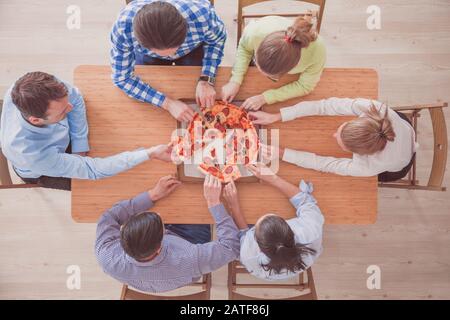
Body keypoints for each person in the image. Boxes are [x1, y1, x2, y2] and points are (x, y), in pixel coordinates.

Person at [0, 71, 172, 190]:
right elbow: (93, 170)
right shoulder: (32, 155)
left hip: (63, 141)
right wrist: (150, 153)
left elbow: (76, 98)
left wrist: (80, 145)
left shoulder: (37, 85)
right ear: (36, 120)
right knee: (105, 189)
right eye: (62, 111)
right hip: (43, 168)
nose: (70, 107)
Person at [95, 174, 240, 293]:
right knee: (196, 207)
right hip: (186, 249)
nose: (158, 213)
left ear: (122, 240)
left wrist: (152, 195)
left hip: (166, 274)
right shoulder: (190, 259)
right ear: (160, 245)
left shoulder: (107, 257)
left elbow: (108, 217)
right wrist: (214, 202)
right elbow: (231, 246)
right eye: (162, 226)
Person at [249, 97, 418, 182]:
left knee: (375, 180)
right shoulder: (374, 109)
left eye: (340, 142)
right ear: (358, 119)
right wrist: (276, 116)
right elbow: (323, 106)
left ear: (359, 154)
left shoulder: (366, 167)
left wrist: (282, 153)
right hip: (404, 126)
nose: (333, 135)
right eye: (341, 129)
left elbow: (324, 164)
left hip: (400, 166)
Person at [111, 0, 227, 122]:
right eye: (161, 52)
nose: (171, 56)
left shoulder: (203, 16)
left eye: (174, 49)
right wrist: (167, 103)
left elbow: (217, 41)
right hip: (148, 57)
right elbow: (122, 78)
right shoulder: (123, 28)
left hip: (191, 51)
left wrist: (206, 79)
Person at [222, 164, 324, 280]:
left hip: (264, 271)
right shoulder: (311, 230)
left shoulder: (249, 255)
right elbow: (305, 202)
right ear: (288, 229)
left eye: (255, 228)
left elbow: (243, 235)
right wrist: (272, 178)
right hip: (303, 259)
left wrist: (233, 205)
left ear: (257, 243)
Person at [221, 15, 326, 110]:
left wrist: (265, 98)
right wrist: (235, 80)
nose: (260, 73)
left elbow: (305, 86)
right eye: (257, 63)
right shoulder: (256, 32)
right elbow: (245, 48)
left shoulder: (318, 52)